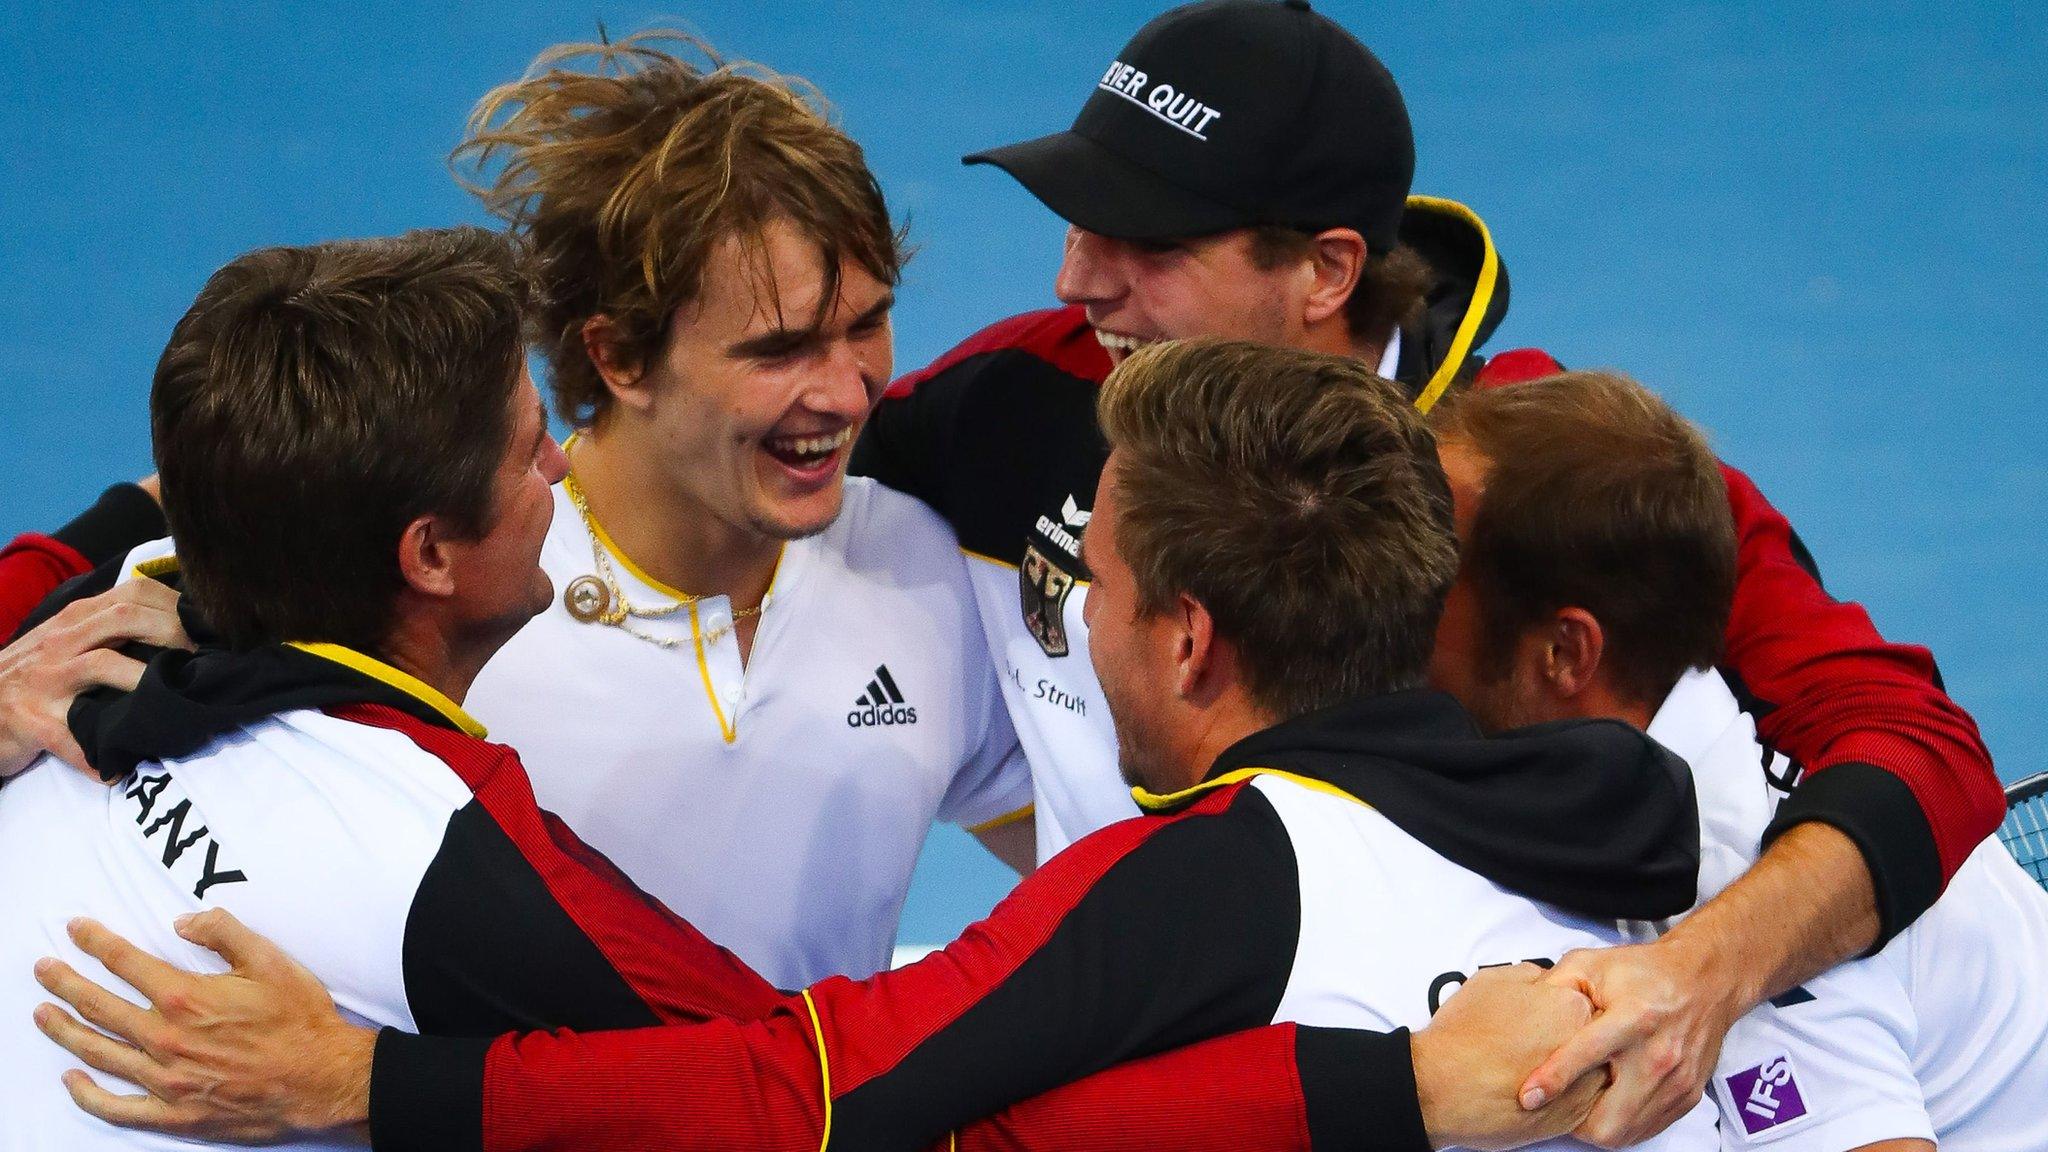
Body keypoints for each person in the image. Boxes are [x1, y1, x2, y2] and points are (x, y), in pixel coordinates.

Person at [30, 341, 1670, 1152]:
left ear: (1184, 636)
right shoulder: (1639, 835)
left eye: (1085, 576)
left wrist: (366, 1078)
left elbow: (826, 1099)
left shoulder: (1201, 885)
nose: (1072, 617)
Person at [848, 1, 2001, 1140]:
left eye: (1149, 243)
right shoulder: (1033, 395)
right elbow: (768, 465)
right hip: (1162, 998)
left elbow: (1913, 742)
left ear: (1325, 270)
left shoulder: (1548, 487)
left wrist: (1698, 970)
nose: (1076, 284)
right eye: (1075, 220)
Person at [4, 33, 1038, 991]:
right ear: (617, 356)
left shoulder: (925, 566)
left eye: (867, 326)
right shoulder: (436, 588)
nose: (848, 392)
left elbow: (1063, 835)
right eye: (779, 351)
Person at [1425, 370, 2048, 1152]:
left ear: (1564, 652)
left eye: (1436, 570)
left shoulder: (1731, 873)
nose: (1400, 589)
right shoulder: (1677, 739)